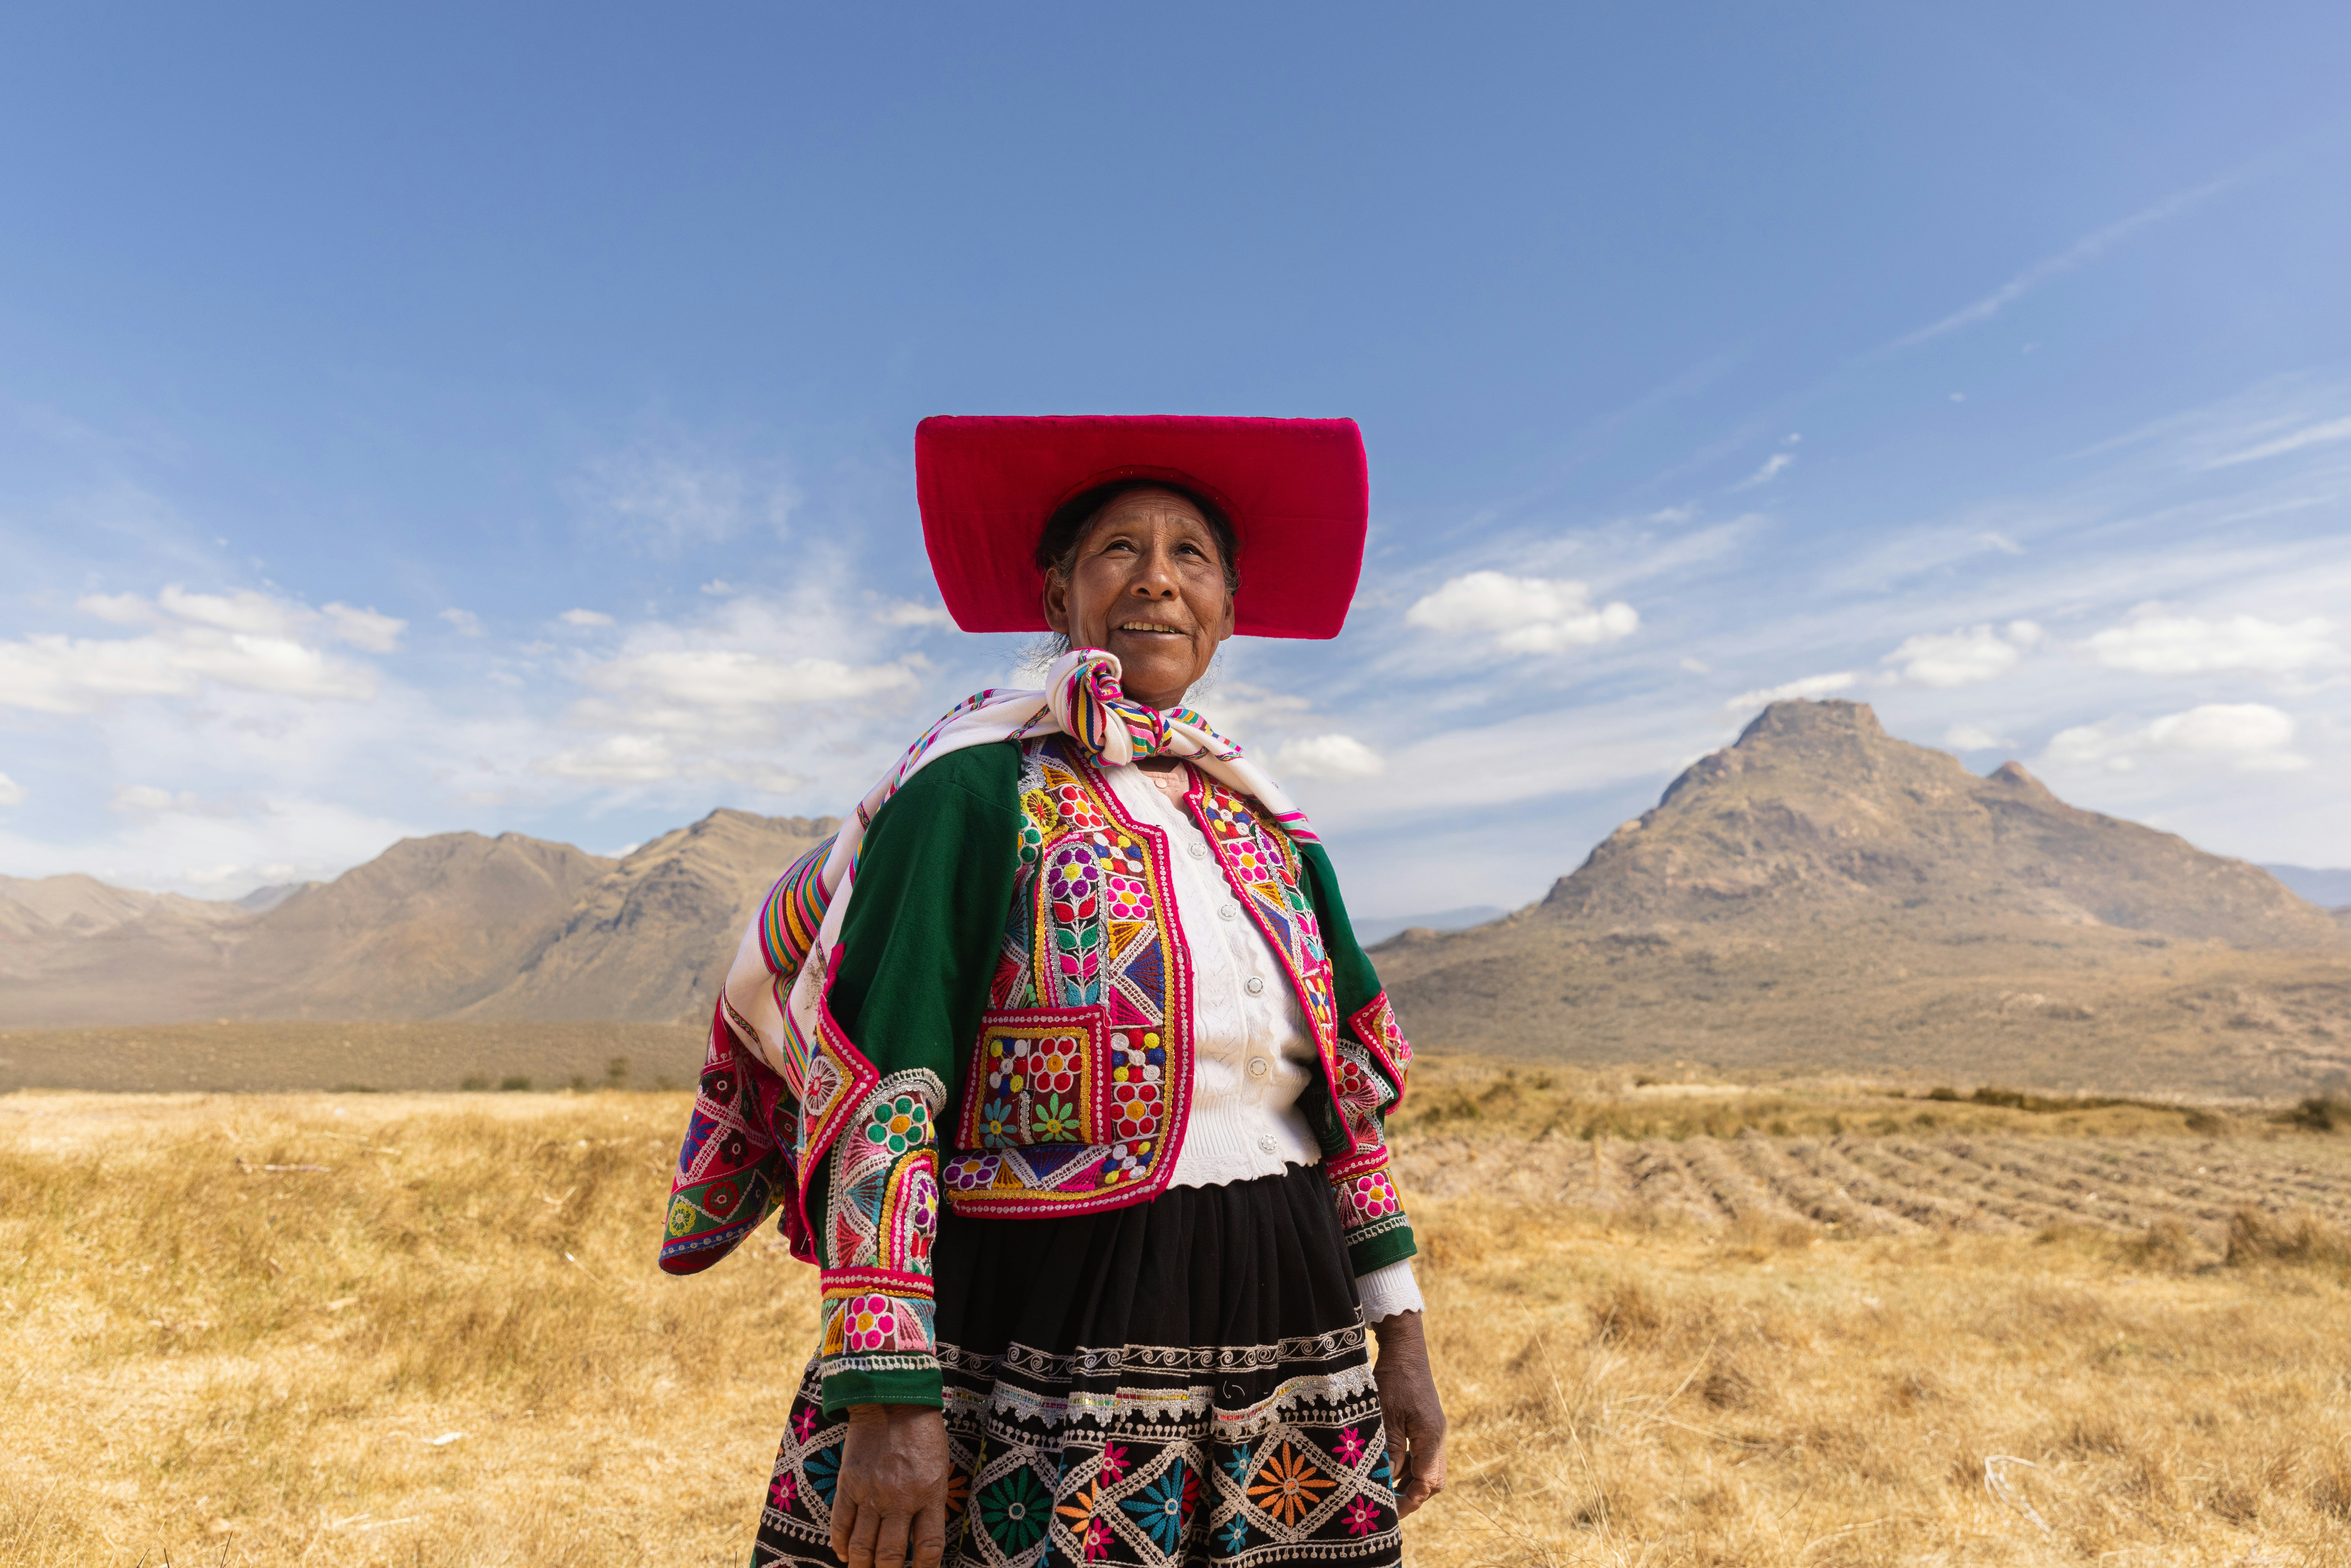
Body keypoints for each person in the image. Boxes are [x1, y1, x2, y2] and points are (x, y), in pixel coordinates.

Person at [659, 416, 1446, 1568]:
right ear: (1058, 594)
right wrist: (887, 1395)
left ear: (1228, 605)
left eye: (1193, 556)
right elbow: (880, 1081)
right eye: (1119, 549)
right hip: (1041, 1313)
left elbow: (1343, 1110)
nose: (1159, 579)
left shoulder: (1270, 829)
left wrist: (1404, 1343)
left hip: (1291, 1306)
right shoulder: (970, 792)